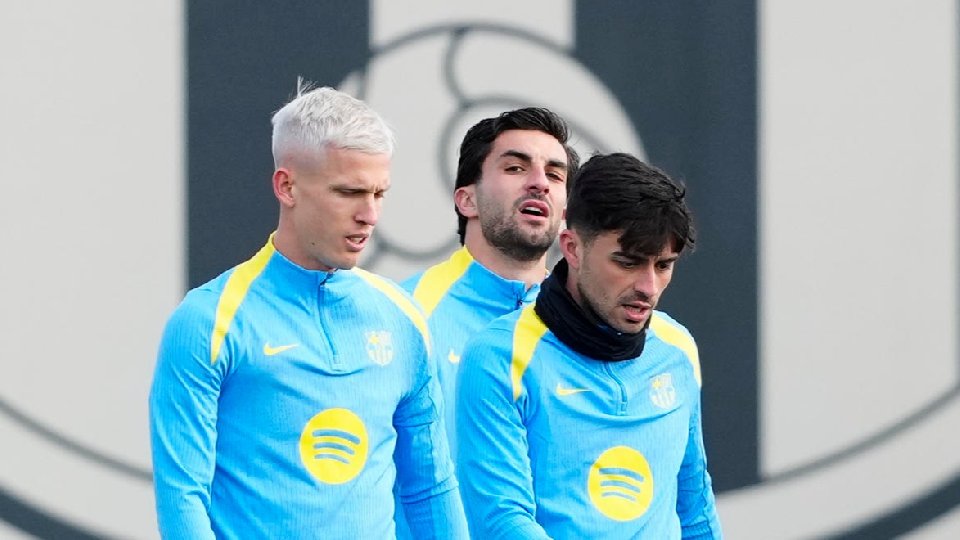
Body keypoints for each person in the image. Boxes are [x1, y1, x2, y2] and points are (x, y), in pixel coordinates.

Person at [149, 84, 467, 539]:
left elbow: (430, 488)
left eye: (380, 193)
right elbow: (183, 498)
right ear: (287, 186)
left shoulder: (402, 316)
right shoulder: (208, 321)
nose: (370, 214)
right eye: (349, 192)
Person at [456, 153, 723, 538]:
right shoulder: (499, 357)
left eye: (663, 265)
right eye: (627, 262)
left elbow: (695, 507)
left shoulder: (676, 347)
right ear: (573, 248)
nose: (648, 287)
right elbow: (503, 522)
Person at [402, 107, 579, 455]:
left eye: (555, 176)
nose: (540, 183)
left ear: (565, 212)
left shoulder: (589, 324)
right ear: (467, 200)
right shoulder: (408, 312)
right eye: (515, 168)